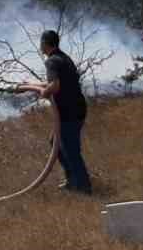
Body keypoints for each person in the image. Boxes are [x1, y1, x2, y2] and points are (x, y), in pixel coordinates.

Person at [14, 29, 91, 194]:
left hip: (70, 112)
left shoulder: (51, 62)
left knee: (70, 149)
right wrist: (29, 85)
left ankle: (84, 187)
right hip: (76, 108)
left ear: (45, 44)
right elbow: (54, 82)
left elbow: (55, 85)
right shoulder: (63, 58)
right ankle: (72, 180)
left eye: (41, 43)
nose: (40, 46)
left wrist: (45, 92)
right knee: (55, 143)